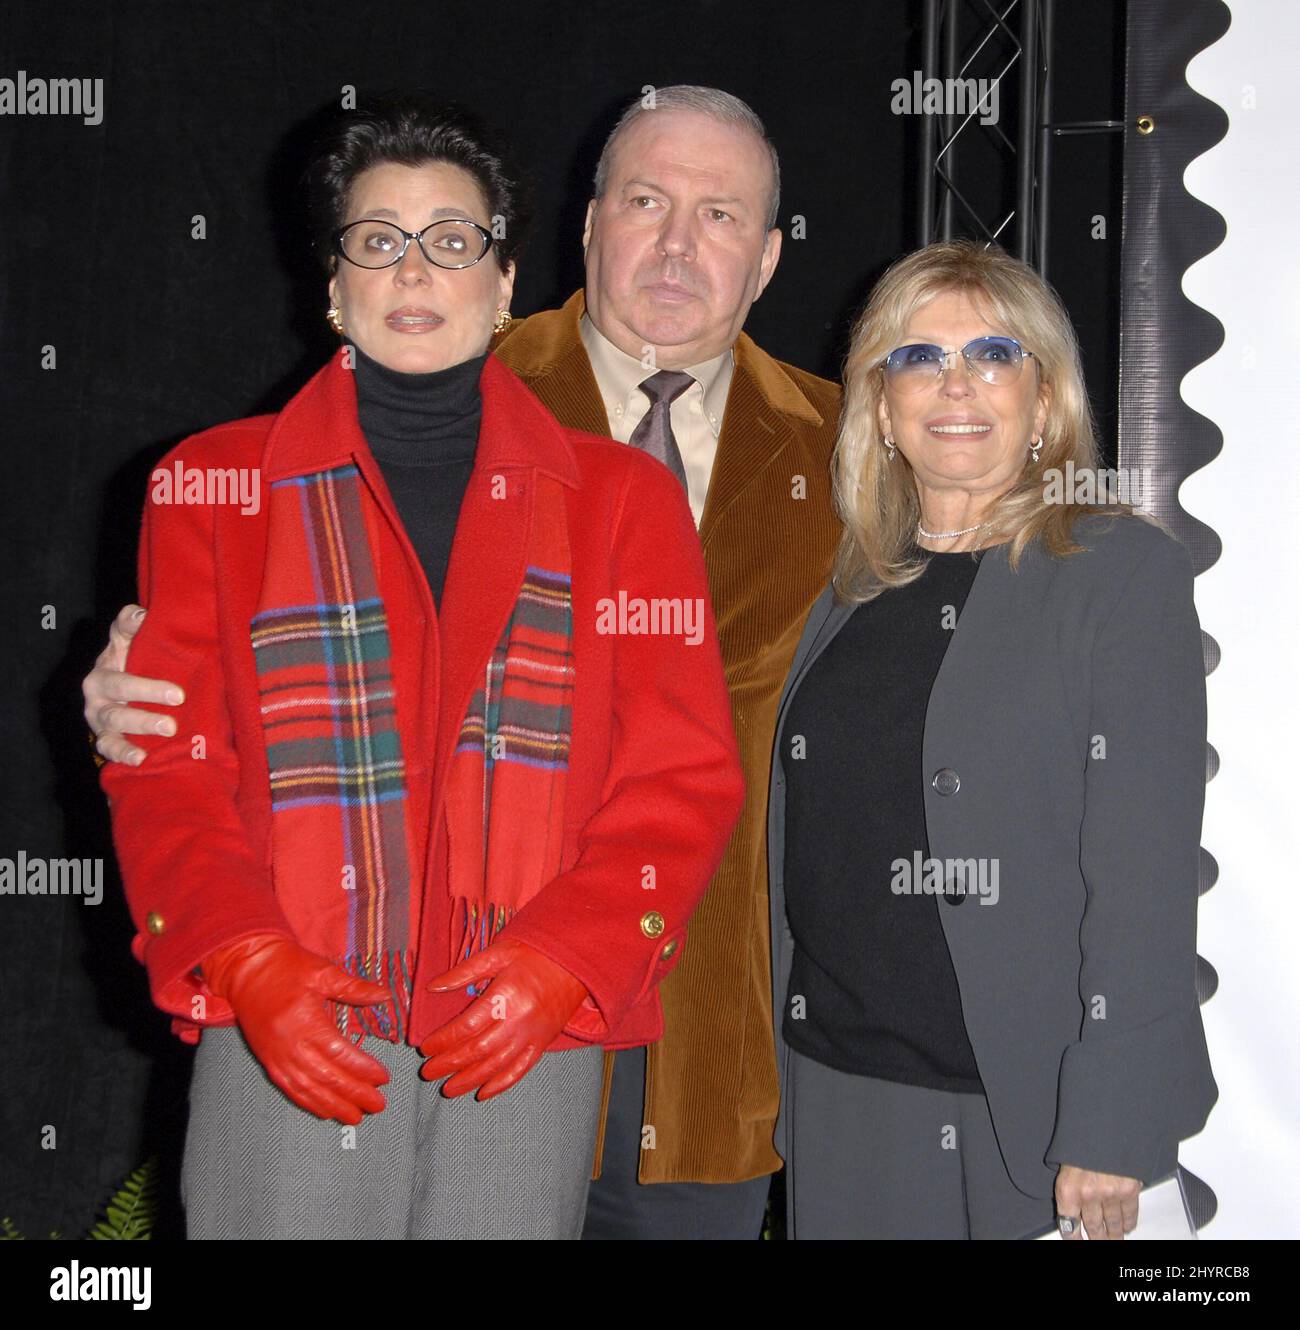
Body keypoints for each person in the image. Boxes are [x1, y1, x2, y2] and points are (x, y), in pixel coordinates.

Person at [86, 86, 842, 1240]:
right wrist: (244, 962)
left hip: (521, 1035)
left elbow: (681, 777)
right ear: (331, 286)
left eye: (453, 242)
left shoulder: (621, 502)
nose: (413, 272)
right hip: (290, 1020)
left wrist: (558, 963)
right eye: (376, 242)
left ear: (502, 283)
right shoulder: (211, 487)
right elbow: (168, 770)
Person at [766, 239, 1218, 1239]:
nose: (954, 383)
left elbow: (1143, 872)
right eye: (916, 356)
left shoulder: (1119, 575)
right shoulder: (845, 585)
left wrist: (1112, 1113)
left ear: (1043, 400)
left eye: (993, 353)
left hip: (1030, 1112)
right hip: (841, 1092)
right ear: (880, 407)